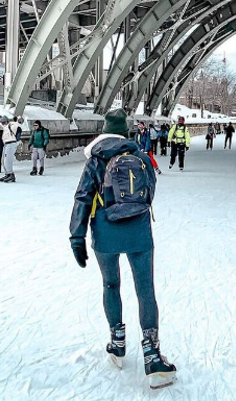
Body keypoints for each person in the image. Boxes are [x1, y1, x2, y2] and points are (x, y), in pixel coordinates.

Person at [68, 108, 177, 390]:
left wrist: (76, 237)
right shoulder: (140, 156)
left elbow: (82, 197)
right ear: (125, 132)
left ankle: (117, 344)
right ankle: (153, 357)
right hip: (139, 232)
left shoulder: (96, 159)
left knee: (111, 285)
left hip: (105, 232)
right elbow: (149, 192)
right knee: (145, 290)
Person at [1, 115, 23, 183]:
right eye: (2, 123)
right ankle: (7, 173)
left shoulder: (12, 125)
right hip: (6, 144)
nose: (3, 124)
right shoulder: (5, 127)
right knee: (4, 160)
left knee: (8, 159)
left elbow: (18, 127)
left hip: (11, 143)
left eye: (4, 122)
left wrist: (18, 119)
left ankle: (10, 174)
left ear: (7, 121)